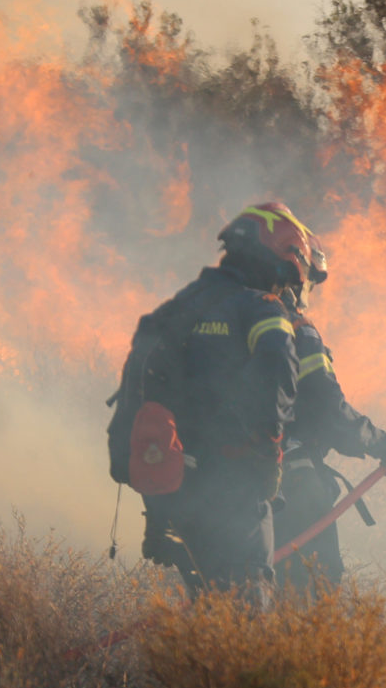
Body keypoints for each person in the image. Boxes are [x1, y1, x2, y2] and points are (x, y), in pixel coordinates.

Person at [106, 202, 321, 602]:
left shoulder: (177, 307)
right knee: (248, 602)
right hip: (232, 483)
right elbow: (278, 374)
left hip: (171, 491)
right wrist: (269, 452)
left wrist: (136, 476)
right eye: (286, 277)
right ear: (277, 254)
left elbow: (136, 387)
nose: (284, 288)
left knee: (207, 601)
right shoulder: (260, 307)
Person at [270, 251, 386, 595]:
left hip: (221, 486)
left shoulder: (216, 325)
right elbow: (329, 410)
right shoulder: (295, 330)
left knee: (236, 590)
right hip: (291, 482)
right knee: (314, 586)